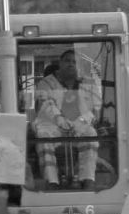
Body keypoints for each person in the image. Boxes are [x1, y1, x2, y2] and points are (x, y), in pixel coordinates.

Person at [34, 49, 102, 191]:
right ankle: (51, 181)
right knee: (43, 136)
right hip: (52, 125)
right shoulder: (46, 83)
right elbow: (46, 104)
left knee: (91, 134)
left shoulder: (88, 83)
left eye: (74, 61)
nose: (71, 64)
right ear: (60, 63)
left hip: (80, 125)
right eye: (67, 61)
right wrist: (59, 119)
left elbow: (94, 108)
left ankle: (87, 179)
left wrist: (80, 122)